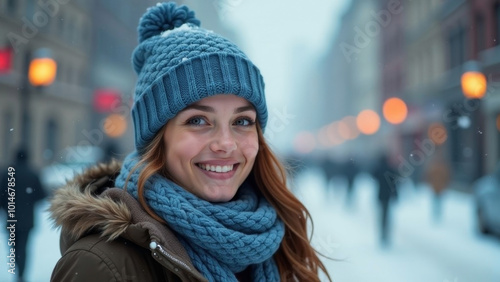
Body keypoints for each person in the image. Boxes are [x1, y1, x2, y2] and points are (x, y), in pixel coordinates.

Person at [49, 2, 331, 281]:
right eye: (198, 120)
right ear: (158, 138)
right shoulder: (100, 266)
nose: (226, 143)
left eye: (242, 121)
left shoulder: (279, 246)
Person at [1, 148, 47, 282]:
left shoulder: (7, 173)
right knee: (24, 247)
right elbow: (41, 195)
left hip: (11, 217)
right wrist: (29, 201)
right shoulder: (32, 173)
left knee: (13, 246)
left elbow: (1, 195)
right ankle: (21, 273)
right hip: (27, 218)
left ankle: (17, 269)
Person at [372, 153, 399, 247]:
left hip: (380, 195)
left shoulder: (379, 169)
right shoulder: (390, 169)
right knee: (387, 215)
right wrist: (396, 195)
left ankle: (382, 234)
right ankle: (386, 234)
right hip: (388, 195)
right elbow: (394, 183)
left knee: (382, 215)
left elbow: (373, 176)